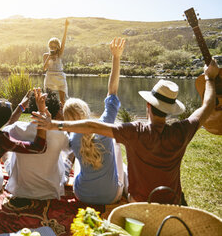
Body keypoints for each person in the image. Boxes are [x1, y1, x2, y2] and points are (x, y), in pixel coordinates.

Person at [32, 57, 220, 205]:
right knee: (111, 146)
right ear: (171, 109)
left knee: (110, 145)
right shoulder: (182, 131)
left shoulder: (135, 131)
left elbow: (91, 127)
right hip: (171, 202)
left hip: (137, 202)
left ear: (148, 105)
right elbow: (208, 106)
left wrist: (53, 124)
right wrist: (210, 79)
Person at [62, 37, 126, 205]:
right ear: (86, 111)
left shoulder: (72, 140)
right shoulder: (104, 124)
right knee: (116, 144)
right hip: (111, 197)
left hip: (82, 195)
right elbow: (112, 91)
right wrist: (116, 57)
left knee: (78, 161)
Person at [2, 89, 72, 203]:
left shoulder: (17, 128)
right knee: (71, 153)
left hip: (20, 189)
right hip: (51, 190)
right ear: (54, 112)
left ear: (31, 109)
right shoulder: (61, 134)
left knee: (6, 149)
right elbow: (71, 142)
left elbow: (4, 131)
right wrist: (62, 118)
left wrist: (20, 107)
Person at [43, 18, 70, 105]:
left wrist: (66, 27)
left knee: (62, 100)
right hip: (50, 77)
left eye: (55, 47)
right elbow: (44, 68)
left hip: (59, 76)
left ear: (58, 47)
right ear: (49, 46)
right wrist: (49, 57)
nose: (53, 48)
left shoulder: (60, 54)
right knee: (48, 99)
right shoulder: (46, 55)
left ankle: (64, 115)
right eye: (51, 46)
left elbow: (63, 41)